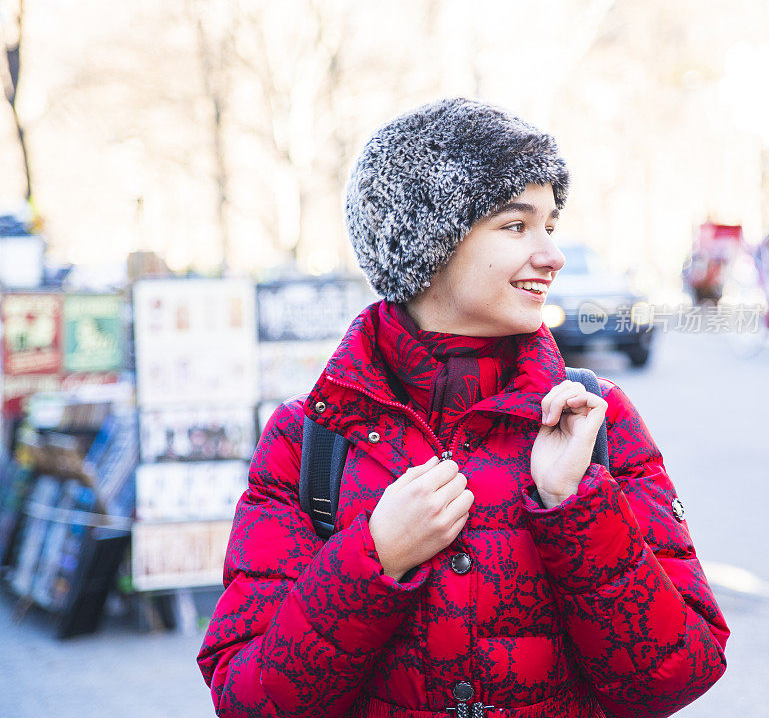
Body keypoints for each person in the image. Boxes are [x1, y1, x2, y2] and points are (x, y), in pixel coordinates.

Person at [198, 98, 729, 718]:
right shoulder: (310, 437)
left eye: (550, 226)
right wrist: (373, 558)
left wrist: (577, 508)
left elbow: (679, 675)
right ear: (429, 239)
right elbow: (248, 701)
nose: (551, 254)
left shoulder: (594, 419)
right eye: (515, 225)